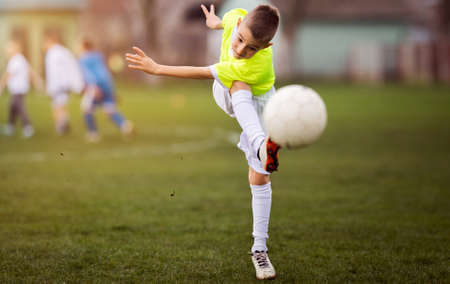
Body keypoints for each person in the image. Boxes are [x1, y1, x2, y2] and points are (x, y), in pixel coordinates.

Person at [126, 4, 280, 280]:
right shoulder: (235, 18)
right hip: (230, 92)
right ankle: (259, 143)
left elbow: (199, 71)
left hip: (262, 107)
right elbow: (224, 26)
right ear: (240, 22)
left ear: (267, 46)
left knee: (259, 180)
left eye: (252, 48)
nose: (242, 49)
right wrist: (215, 22)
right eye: (240, 39)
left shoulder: (256, 64)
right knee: (237, 84)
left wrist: (157, 68)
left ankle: (260, 249)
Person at [78, 38, 134, 142]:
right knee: (109, 109)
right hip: (107, 85)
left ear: (83, 46)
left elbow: (88, 74)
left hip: (95, 86)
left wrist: (93, 87)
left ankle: (92, 133)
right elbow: (105, 73)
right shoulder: (98, 56)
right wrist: (112, 90)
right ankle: (125, 126)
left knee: (86, 108)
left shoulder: (83, 58)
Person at [43, 30, 84, 135]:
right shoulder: (63, 51)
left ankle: (61, 126)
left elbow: (54, 72)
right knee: (61, 104)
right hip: (64, 84)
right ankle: (63, 124)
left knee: (58, 105)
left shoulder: (53, 53)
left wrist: (52, 87)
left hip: (59, 85)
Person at [0, 38, 34, 138]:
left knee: (19, 107)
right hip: (18, 88)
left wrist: (1, 84)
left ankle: (28, 127)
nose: (7, 50)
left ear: (15, 49)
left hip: (18, 88)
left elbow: (8, 74)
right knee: (12, 107)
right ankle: (10, 127)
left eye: (9, 48)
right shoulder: (19, 58)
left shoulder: (16, 59)